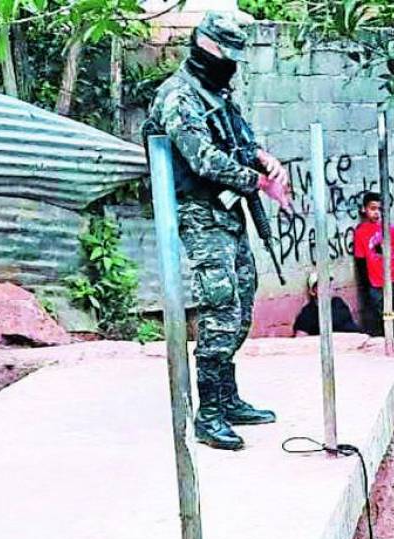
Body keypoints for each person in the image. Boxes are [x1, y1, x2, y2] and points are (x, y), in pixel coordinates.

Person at [144, 12, 291, 451]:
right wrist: (256, 181)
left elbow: (237, 141)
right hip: (198, 214)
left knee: (242, 302)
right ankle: (208, 413)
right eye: (227, 54)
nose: (232, 63)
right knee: (220, 307)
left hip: (226, 214)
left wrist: (263, 158)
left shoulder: (215, 94)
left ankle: (227, 399)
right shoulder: (177, 97)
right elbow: (202, 159)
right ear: (207, 47)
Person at [352, 191, 394, 337]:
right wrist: (365, 285)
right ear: (364, 209)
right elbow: (360, 261)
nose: (376, 213)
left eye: (380, 209)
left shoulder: (391, 229)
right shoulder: (360, 233)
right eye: (373, 208)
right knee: (379, 315)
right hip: (376, 282)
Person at [292, 272, 358, 336]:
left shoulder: (339, 303)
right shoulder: (307, 313)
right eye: (322, 285)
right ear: (313, 291)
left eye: (328, 284)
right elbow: (300, 338)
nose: (327, 287)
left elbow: (351, 326)